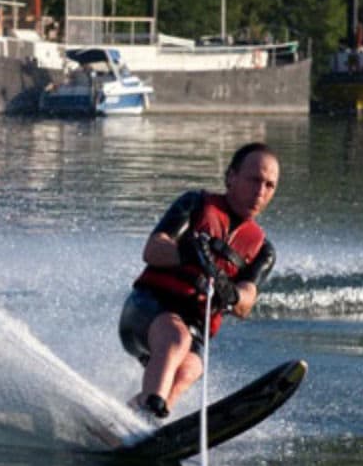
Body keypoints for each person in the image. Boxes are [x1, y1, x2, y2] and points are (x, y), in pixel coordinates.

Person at [118, 142, 279, 419]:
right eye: (254, 180)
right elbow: (153, 249)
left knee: (191, 368)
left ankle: (136, 415)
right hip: (146, 311)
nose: (260, 191)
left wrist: (231, 293)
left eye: (269, 185)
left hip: (191, 326)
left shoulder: (263, 250)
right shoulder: (195, 204)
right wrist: (187, 253)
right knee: (176, 338)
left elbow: (246, 302)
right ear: (231, 177)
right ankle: (150, 411)